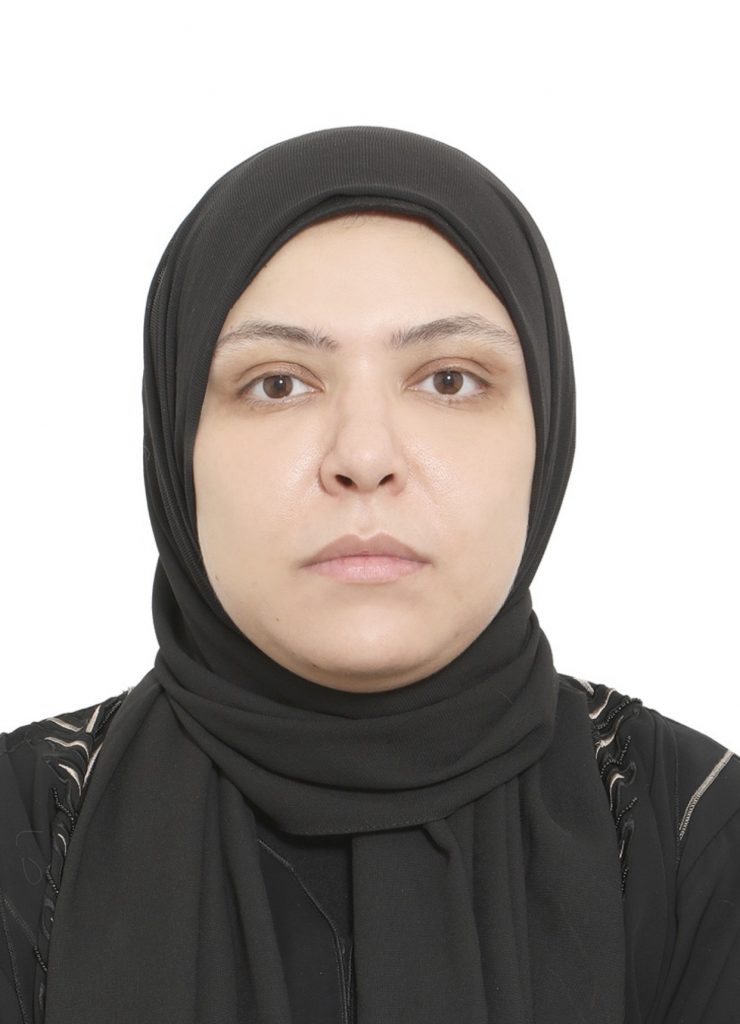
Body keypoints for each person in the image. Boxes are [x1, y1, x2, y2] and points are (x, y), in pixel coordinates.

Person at [1, 126, 738, 1024]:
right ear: (175, 440)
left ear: (547, 433)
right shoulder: (20, 834)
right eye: (277, 384)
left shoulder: (697, 836)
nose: (362, 456)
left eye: (449, 380)